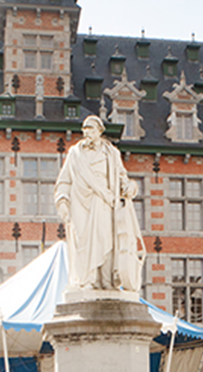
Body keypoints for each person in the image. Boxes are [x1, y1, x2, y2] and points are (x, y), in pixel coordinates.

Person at [54, 114, 144, 293]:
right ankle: (86, 281)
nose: (87, 132)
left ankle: (106, 281)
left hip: (104, 202)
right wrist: (62, 200)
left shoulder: (111, 153)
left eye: (91, 128)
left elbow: (121, 177)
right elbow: (64, 180)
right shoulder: (75, 153)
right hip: (80, 204)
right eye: (85, 128)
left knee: (105, 239)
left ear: (100, 132)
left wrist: (130, 186)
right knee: (83, 243)